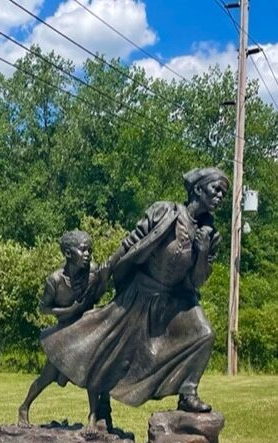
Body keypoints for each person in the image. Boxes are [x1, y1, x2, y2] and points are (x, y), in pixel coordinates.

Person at [40, 167, 229, 421]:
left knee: (204, 334)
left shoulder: (211, 235)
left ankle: (188, 393)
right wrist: (107, 268)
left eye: (223, 193)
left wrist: (203, 252)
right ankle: (102, 404)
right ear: (198, 189)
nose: (219, 196)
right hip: (141, 293)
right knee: (115, 351)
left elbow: (197, 281)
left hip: (175, 300)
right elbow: (132, 241)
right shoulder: (165, 211)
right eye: (215, 189)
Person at [17, 230, 111, 429]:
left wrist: (103, 280)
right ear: (68, 253)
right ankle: (24, 407)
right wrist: (67, 310)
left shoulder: (92, 271)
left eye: (90, 250)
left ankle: (93, 417)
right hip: (64, 335)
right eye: (83, 250)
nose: (88, 254)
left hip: (86, 331)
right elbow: (43, 308)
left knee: (92, 374)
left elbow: (96, 298)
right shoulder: (55, 280)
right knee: (48, 376)